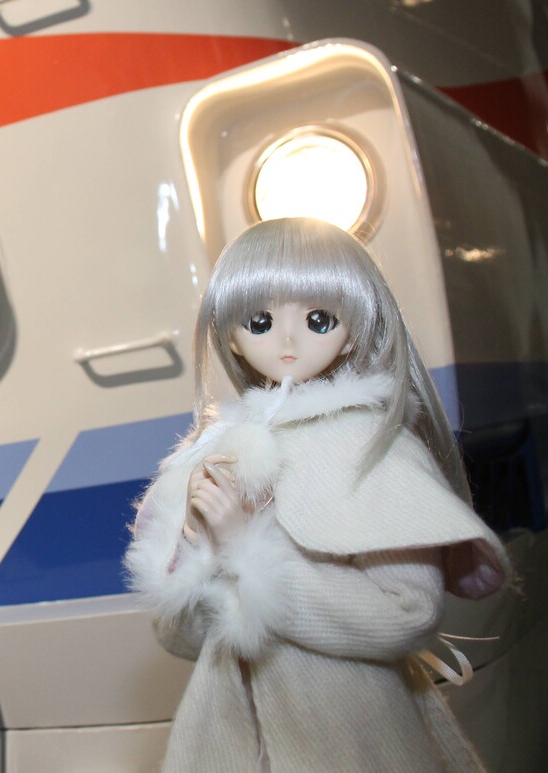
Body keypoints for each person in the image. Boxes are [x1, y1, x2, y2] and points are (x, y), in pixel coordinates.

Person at [123, 217, 509, 772]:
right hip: (227, 736)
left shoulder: (370, 448)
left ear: (351, 331)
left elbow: (408, 614)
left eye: (318, 319)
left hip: (351, 732)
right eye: (259, 321)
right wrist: (199, 550)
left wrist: (246, 549)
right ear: (230, 335)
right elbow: (183, 639)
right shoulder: (210, 455)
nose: (287, 340)